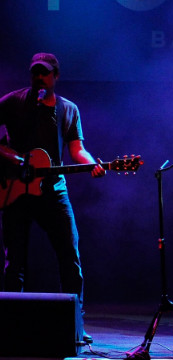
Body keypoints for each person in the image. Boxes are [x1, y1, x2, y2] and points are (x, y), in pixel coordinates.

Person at [0, 53, 105, 343]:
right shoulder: (11, 102)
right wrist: (11, 156)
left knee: (70, 257)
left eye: (44, 73)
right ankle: (9, 327)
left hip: (53, 191)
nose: (38, 78)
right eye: (34, 73)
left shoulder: (67, 109)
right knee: (14, 263)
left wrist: (92, 163)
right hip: (14, 190)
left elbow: (76, 149)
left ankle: (75, 327)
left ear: (55, 76)